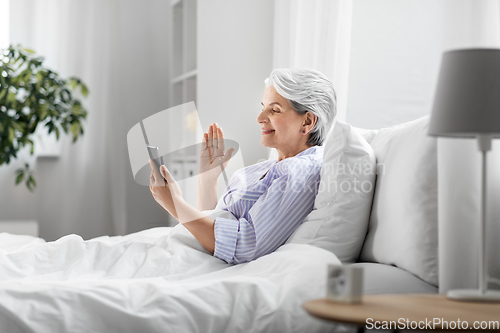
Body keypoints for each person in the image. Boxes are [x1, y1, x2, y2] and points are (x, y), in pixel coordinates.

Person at [149, 68, 336, 265]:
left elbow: (243, 246)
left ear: (307, 121)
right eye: (263, 107)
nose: (260, 118)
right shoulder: (266, 168)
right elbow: (211, 231)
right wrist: (208, 179)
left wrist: (175, 204)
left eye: (274, 110)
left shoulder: (301, 172)